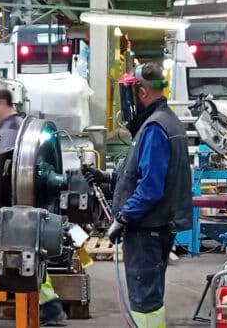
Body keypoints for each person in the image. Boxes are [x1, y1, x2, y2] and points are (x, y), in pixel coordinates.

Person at [82, 63, 193, 327]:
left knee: (145, 302)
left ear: (141, 92)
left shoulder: (154, 128)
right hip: (156, 226)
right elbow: (142, 174)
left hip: (146, 229)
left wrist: (122, 219)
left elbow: (150, 189)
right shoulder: (166, 120)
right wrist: (107, 178)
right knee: (150, 294)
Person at [0, 85, 67, 327]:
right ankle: (49, 308)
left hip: (8, 214)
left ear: (3, 102)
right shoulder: (9, 130)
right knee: (4, 258)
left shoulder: (11, 134)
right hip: (11, 215)